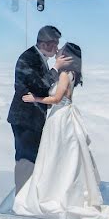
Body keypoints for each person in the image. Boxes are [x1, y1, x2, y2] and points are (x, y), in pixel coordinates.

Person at [12, 43, 109, 219]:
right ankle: (63, 189)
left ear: (68, 57)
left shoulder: (64, 74)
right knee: (63, 157)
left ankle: (55, 192)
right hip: (62, 116)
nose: (58, 54)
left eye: (62, 53)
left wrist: (35, 99)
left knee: (57, 155)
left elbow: (56, 99)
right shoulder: (72, 74)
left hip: (60, 118)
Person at [7, 25, 70, 191]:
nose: (57, 48)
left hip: (32, 118)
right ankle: (21, 198)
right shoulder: (29, 57)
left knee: (32, 158)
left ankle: (28, 195)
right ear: (46, 44)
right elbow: (40, 83)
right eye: (55, 44)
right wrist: (56, 68)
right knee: (25, 161)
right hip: (25, 118)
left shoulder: (36, 57)